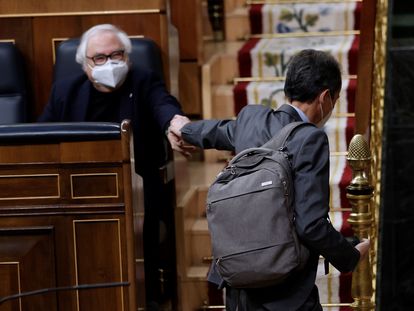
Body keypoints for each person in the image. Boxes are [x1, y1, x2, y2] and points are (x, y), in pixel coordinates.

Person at [168, 49, 370, 310]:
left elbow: (218, 131)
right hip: (285, 290)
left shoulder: (251, 118)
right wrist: (350, 256)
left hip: (238, 282)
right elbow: (310, 224)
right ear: (324, 98)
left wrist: (183, 129)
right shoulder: (310, 138)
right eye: (336, 99)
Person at [38, 24, 191, 309]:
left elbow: (164, 106)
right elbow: (41, 138)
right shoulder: (65, 91)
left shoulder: (144, 81)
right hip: (79, 191)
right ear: (85, 66)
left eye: (116, 54)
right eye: (99, 58)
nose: (109, 63)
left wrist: (176, 122)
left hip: (138, 189)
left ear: (128, 58)